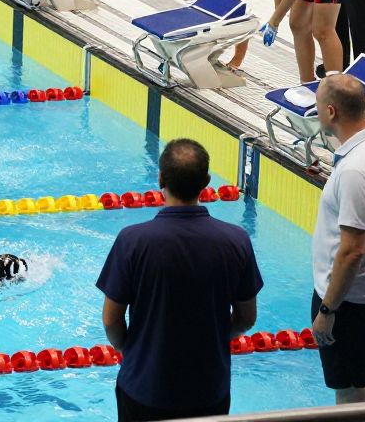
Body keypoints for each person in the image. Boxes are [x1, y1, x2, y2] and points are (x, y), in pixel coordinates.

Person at [96, 139, 262, 422]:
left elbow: (112, 320)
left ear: (160, 179)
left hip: (143, 389)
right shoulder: (236, 241)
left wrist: (132, 350)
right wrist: (217, 339)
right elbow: (246, 318)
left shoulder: (132, 241)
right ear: (207, 182)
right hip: (208, 391)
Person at [311, 74, 365, 405]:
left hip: (347, 299)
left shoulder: (355, 171)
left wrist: (327, 308)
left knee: (348, 390)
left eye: (318, 105)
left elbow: (352, 251)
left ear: (331, 112)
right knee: (361, 374)